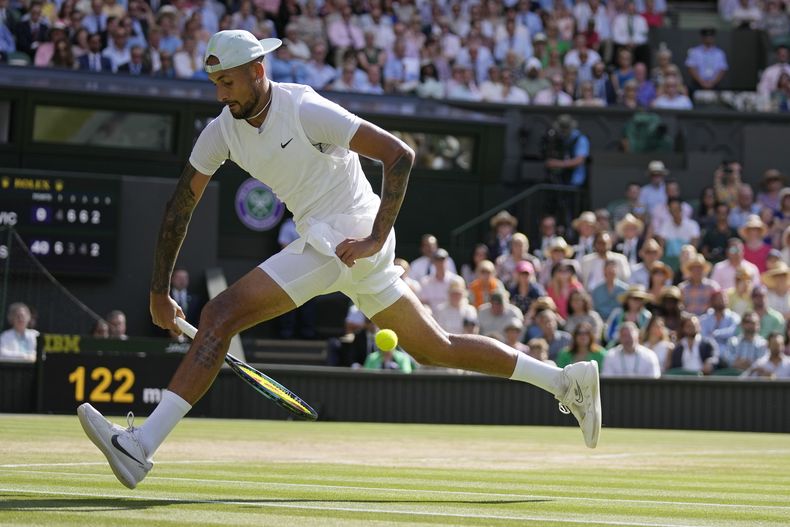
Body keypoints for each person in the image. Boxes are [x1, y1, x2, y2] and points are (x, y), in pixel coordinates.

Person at [78, 30, 604, 489]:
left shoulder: (305, 107)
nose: (222, 94)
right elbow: (179, 207)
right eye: (216, 84)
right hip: (335, 241)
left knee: (218, 316)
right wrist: (157, 291)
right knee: (432, 347)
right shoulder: (222, 130)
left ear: (258, 70)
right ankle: (564, 381)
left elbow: (399, 154)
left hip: (348, 237)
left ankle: (141, 446)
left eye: (230, 83)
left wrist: (376, 237)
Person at [541, 114, 590, 187]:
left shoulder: (581, 139)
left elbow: (579, 160)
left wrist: (557, 164)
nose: (563, 131)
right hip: (561, 180)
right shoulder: (561, 138)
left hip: (575, 181)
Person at [685, 27, 728, 93]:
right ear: (702, 38)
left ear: (713, 38)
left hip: (715, 85)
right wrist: (701, 81)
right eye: (706, 37)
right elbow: (691, 68)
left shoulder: (720, 53)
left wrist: (713, 82)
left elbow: (722, 70)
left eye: (710, 37)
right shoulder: (695, 51)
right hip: (697, 85)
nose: (708, 39)